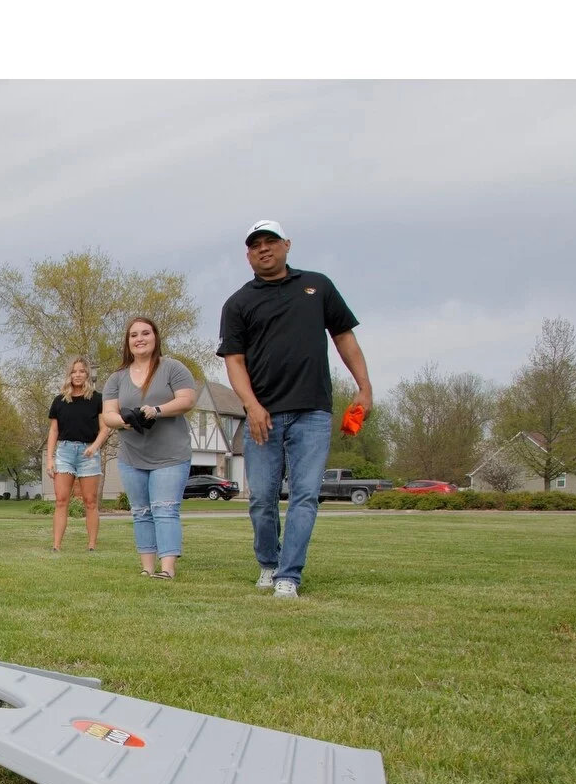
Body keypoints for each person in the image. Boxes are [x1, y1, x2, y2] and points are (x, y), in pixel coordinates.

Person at [218, 220, 374, 599]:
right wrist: (251, 406)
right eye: (256, 245)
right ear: (248, 254)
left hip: (312, 412)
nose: (264, 249)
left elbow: (343, 338)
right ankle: (269, 563)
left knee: (304, 494)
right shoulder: (239, 303)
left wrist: (364, 387)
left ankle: (289, 575)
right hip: (263, 415)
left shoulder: (317, 287)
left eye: (271, 241)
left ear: (286, 245)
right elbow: (234, 361)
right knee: (261, 498)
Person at [101, 317, 198, 579]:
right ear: (128, 342)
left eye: (145, 333)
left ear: (155, 338)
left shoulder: (172, 368)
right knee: (141, 512)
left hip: (171, 455)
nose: (139, 339)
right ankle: (147, 568)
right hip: (132, 456)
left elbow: (187, 399)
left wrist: (157, 411)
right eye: (134, 335)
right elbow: (107, 414)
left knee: (165, 508)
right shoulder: (117, 377)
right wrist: (125, 421)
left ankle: (167, 569)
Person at [44, 356, 108, 553]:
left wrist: (94, 447)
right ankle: (56, 545)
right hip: (64, 453)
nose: (77, 375)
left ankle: (91, 545)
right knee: (61, 500)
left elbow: (105, 429)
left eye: (81, 371)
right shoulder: (59, 401)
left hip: (88, 453)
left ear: (87, 374)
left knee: (90, 501)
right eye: (74, 371)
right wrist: (50, 459)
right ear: (69, 375)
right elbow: (53, 431)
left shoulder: (97, 399)